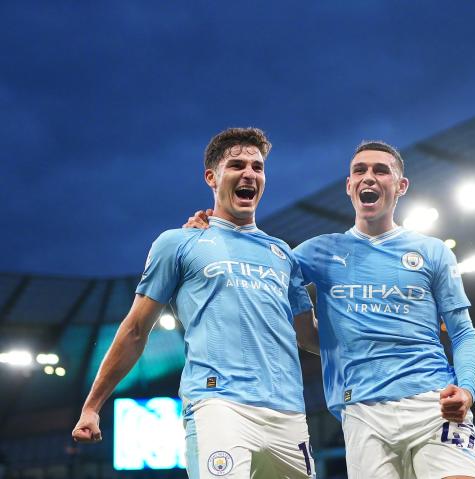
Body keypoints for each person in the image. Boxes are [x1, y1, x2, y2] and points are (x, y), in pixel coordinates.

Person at [186, 141, 475, 479]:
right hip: (361, 413)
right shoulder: (317, 252)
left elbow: (463, 332)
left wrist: (467, 389)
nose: (368, 177)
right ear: (349, 186)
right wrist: (211, 233)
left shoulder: (432, 252)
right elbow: (258, 266)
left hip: (433, 403)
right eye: (360, 171)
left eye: (381, 171)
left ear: (401, 186)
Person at [72, 128, 317, 479]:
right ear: (211, 177)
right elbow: (136, 329)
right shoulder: (179, 243)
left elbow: (308, 337)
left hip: (289, 412)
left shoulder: (283, 254)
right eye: (237, 165)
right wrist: (92, 406)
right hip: (218, 404)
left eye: (257, 167)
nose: (249, 173)